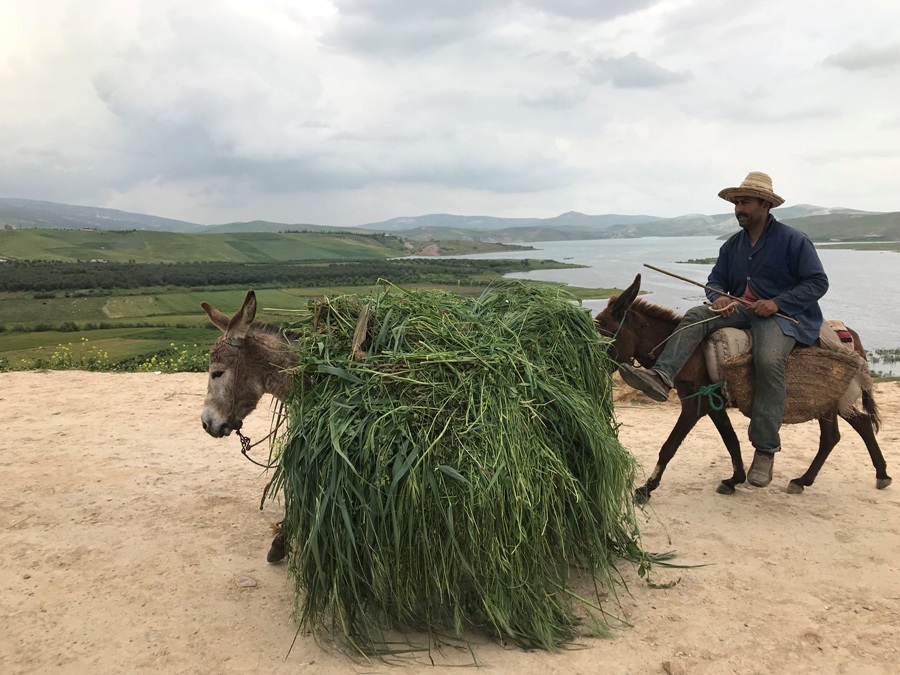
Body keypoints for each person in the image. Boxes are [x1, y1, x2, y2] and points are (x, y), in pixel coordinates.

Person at [619, 171, 829, 488]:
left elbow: (817, 282)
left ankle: (764, 451)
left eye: (744, 202)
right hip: (738, 311)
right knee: (694, 316)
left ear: (765, 205)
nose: (738, 208)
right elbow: (715, 281)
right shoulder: (733, 245)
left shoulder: (793, 241)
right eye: (736, 203)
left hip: (781, 317)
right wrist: (717, 299)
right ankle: (662, 376)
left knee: (769, 361)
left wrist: (777, 302)